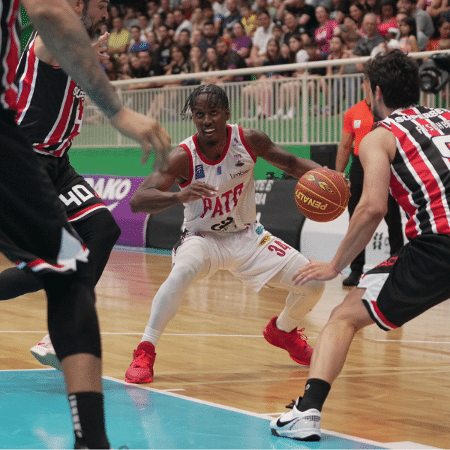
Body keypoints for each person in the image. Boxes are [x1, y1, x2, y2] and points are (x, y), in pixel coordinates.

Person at [0, 0, 170, 449]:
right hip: (29, 159)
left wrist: (91, 49)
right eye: (99, 4)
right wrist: (119, 110)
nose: (105, 10)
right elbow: (55, 27)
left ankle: (89, 435)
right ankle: (90, 438)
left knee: (100, 233)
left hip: (59, 165)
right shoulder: (52, 41)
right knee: (66, 266)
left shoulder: (73, 48)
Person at [270, 49, 449, 442]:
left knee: (343, 316)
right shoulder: (447, 119)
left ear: (376, 91)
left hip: (440, 243)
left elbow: (370, 208)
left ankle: (306, 412)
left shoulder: (379, 137)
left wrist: (335, 265)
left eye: (367, 87)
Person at [124, 84, 332, 384]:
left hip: (248, 237)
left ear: (226, 114)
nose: (206, 120)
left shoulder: (248, 141)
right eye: (199, 114)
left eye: (213, 113)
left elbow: (293, 164)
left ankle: (283, 330)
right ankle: (145, 349)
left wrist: (329, 177)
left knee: (313, 283)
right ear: (192, 118)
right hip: (203, 239)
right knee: (180, 273)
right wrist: (177, 198)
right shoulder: (184, 156)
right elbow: (137, 201)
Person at [335, 76, 404, 287]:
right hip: (359, 166)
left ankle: (398, 268)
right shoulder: (353, 112)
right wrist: (339, 175)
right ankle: (356, 270)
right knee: (356, 217)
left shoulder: (391, 110)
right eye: (368, 80)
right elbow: (345, 146)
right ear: (365, 83)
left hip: (387, 165)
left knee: (393, 219)